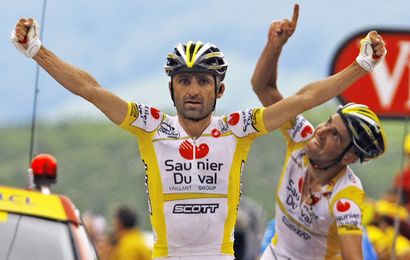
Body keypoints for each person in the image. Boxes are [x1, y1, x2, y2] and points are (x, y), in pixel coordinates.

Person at [10, 7, 386, 258]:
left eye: (203, 81)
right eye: (184, 80)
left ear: (219, 90)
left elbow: (304, 98)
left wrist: (362, 64)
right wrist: (37, 50)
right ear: (171, 88)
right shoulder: (151, 125)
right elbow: (90, 89)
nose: (193, 90)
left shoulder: (236, 130)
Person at [251, 4, 387, 260]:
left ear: (348, 158)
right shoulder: (301, 137)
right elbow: (263, 87)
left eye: (335, 135)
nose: (321, 131)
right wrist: (274, 46)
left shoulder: (346, 194)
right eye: (327, 122)